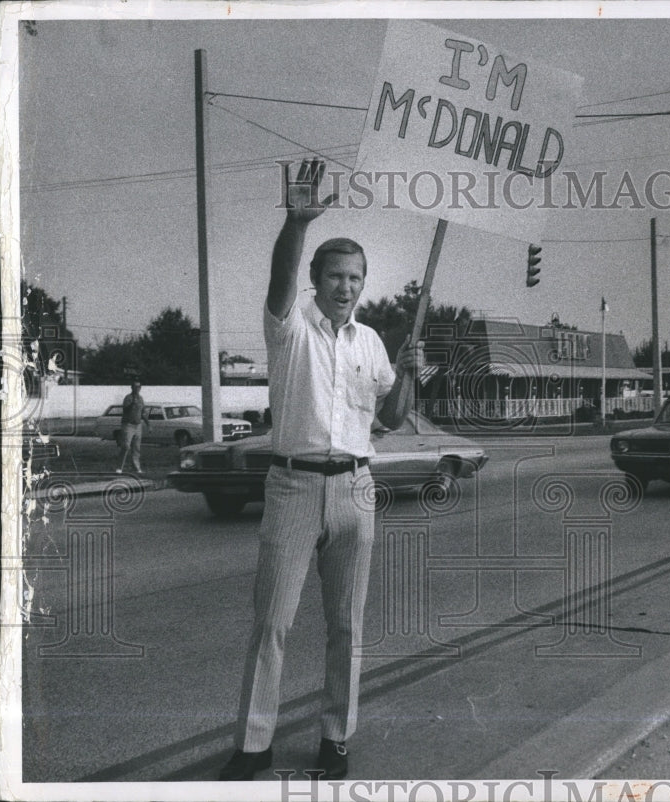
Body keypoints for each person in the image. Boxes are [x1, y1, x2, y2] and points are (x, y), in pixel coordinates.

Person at [219, 159, 422, 782]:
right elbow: (279, 277)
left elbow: (391, 418)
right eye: (335, 274)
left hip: (356, 488)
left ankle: (338, 735)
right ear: (314, 279)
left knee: (346, 623)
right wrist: (296, 223)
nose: (345, 285)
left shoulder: (371, 342)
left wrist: (410, 373)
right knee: (272, 621)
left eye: (355, 276)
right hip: (294, 485)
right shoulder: (288, 329)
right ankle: (254, 743)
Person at [116, 380, 149, 474]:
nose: (137, 388)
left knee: (136, 447)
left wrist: (148, 424)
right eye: (135, 386)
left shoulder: (141, 398)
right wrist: (132, 404)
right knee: (126, 446)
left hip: (138, 425)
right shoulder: (128, 397)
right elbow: (125, 410)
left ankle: (136, 467)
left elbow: (143, 412)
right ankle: (119, 467)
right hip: (128, 425)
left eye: (139, 387)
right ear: (132, 387)